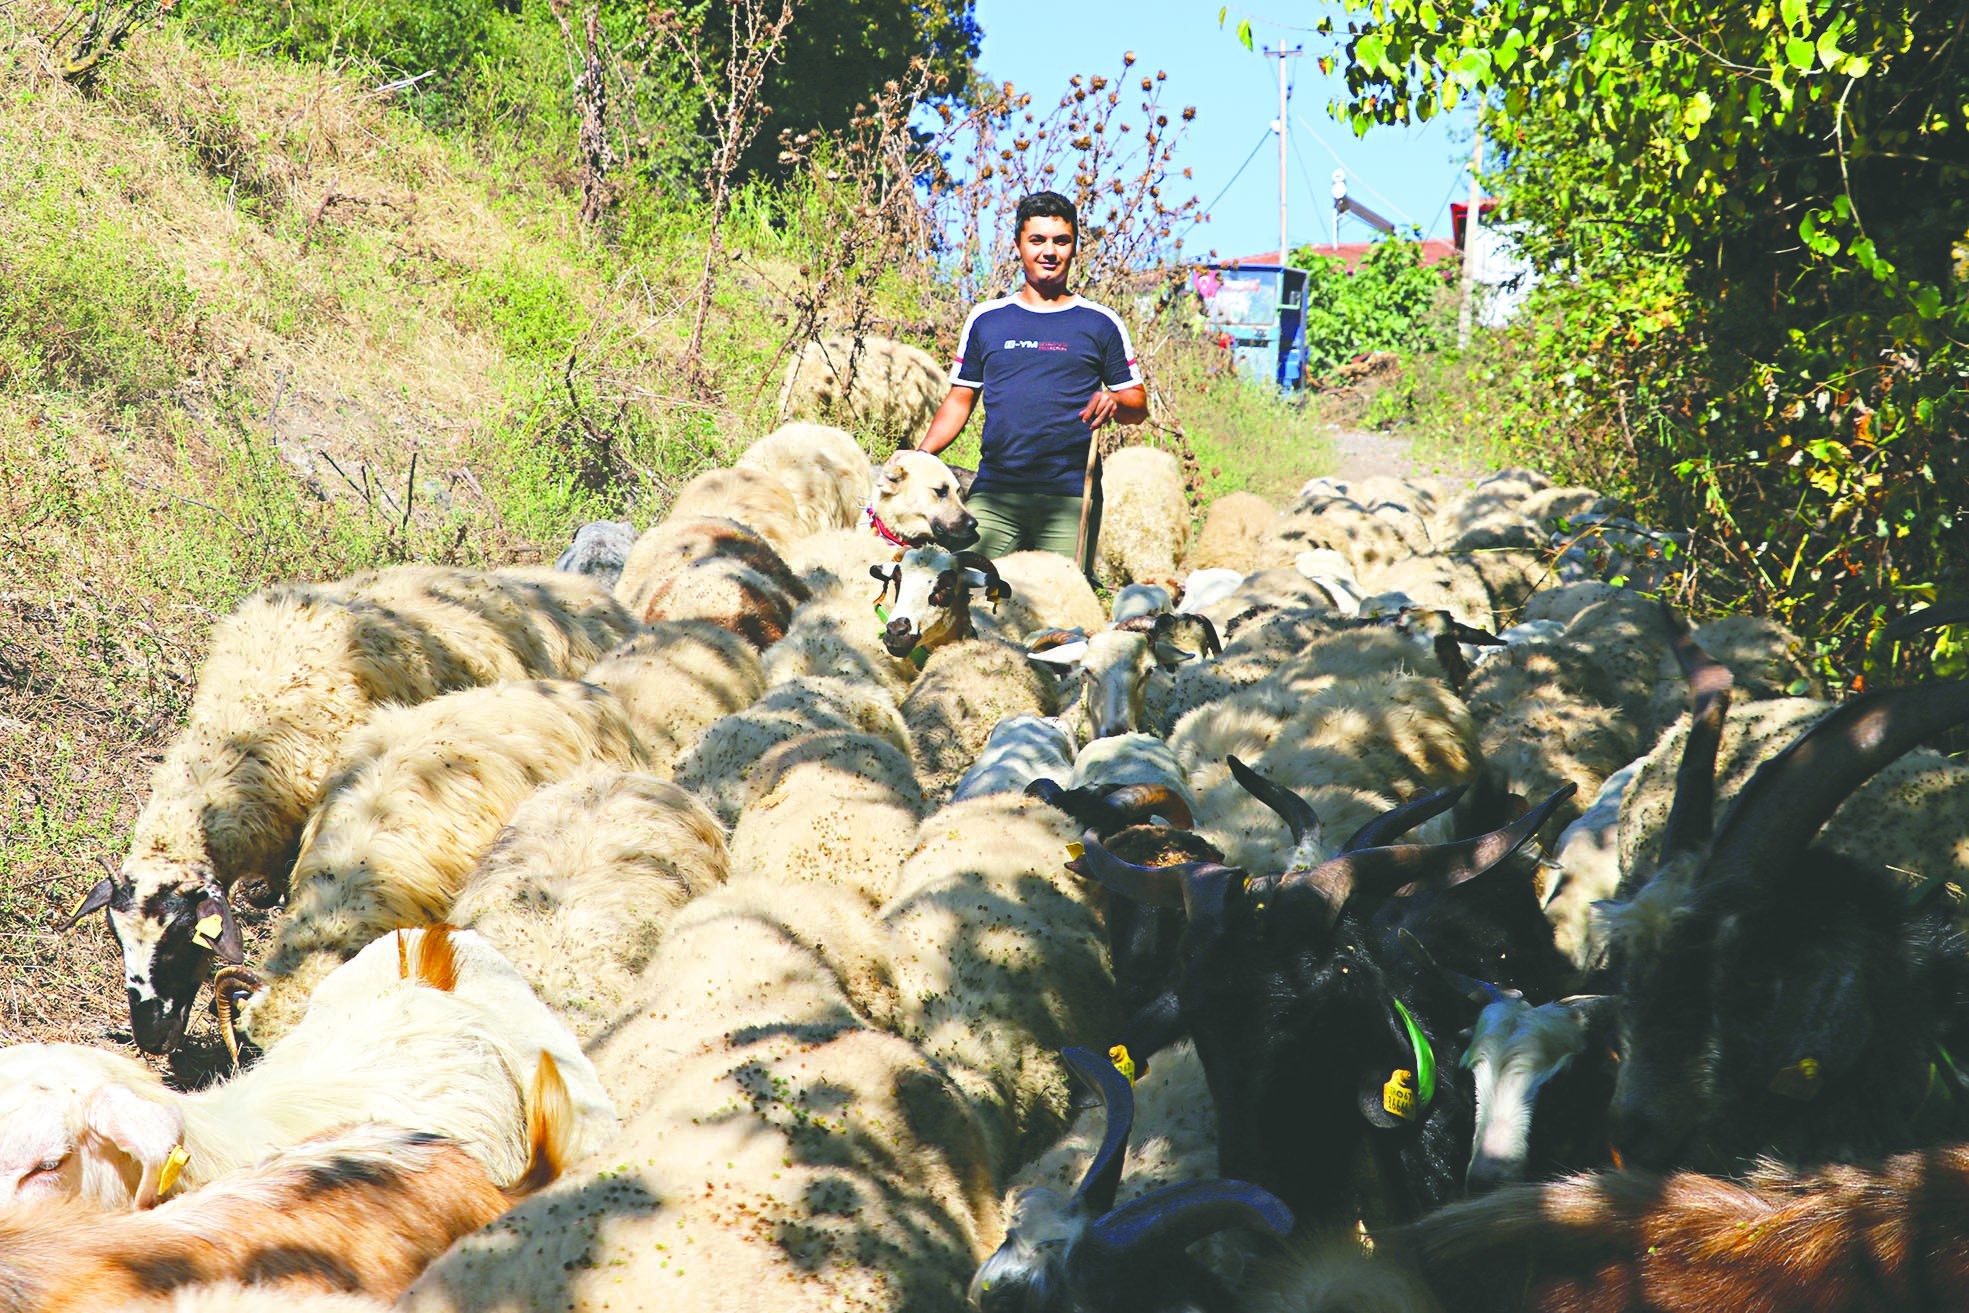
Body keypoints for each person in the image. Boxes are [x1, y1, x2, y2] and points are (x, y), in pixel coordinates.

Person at [916, 191, 1149, 574]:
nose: (1049, 252)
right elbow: (960, 399)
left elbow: (1137, 405)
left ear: (1074, 247)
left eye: (1061, 241)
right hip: (996, 493)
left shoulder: (1100, 323)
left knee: (1059, 601)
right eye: (1037, 240)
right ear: (1018, 246)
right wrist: (921, 457)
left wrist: (1116, 401)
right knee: (961, 586)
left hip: (1070, 498)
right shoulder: (988, 319)